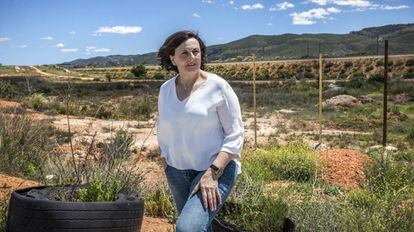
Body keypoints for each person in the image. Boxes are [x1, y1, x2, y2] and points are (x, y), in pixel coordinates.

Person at [156, 30, 244, 232]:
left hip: (213, 170)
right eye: (184, 53)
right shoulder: (165, 89)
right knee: (200, 227)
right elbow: (163, 126)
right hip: (176, 172)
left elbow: (235, 134)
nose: (192, 58)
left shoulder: (218, 86)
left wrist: (213, 172)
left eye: (196, 52)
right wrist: (166, 159)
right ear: (173, 58)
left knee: (188, 228)